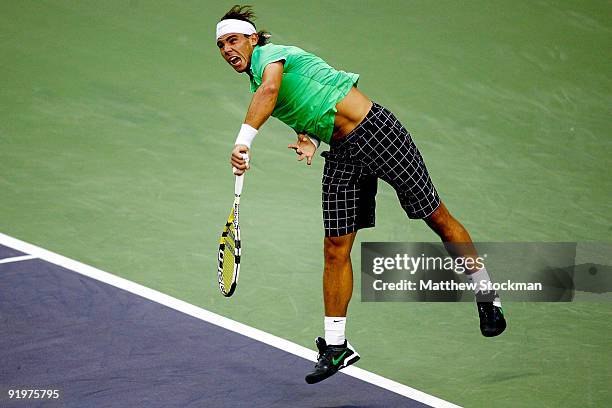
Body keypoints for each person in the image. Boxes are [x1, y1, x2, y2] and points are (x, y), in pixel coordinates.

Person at [215, 5, 506, 384]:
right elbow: (312, 102)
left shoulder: (271, 58)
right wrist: (308, 138)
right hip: (342, 154)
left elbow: (272, 91)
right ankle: (336, 347)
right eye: (221, 45)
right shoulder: (260, 83)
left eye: (232, 40)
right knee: (335, 246)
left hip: (377, 132)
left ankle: (486, 294)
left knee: (437, 218)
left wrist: (243, 142)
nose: (227, 49)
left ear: (253, 39)